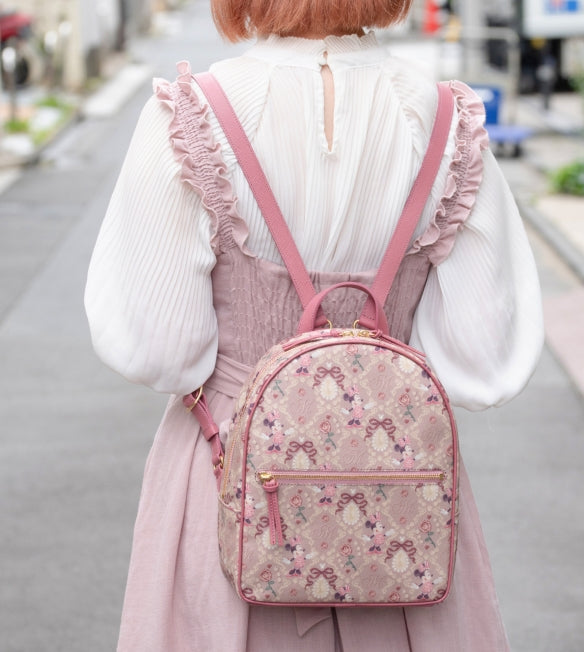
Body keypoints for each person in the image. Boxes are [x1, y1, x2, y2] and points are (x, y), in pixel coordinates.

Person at [85, 0, 544, 649]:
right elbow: (483, 359)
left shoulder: (191, 117)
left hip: (232, 485)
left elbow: (158, 348)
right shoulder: (446, 123)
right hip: (393, 497)